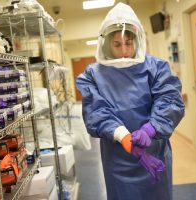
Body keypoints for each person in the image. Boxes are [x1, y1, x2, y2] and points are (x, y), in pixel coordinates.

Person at [76, 2, 185, 200]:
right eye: (117, 44)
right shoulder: (93, 75)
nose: (124, 50)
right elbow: (96, 112)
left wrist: (150, 129)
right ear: (108, 44)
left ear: (137, 41)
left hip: (154, 153)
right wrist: (125, 137)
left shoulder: (156, 68)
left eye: (129, 43)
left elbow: (170, 101)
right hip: (118, 159)